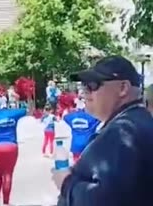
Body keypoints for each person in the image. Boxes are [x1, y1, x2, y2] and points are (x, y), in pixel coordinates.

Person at [54, 55, 153, 206]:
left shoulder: (123, 131)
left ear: (122, 88)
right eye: (83, 85)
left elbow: (107, 200)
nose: (84, 92)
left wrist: (66, 184)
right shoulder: (137, 121)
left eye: (92, 85)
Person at [0, 105, 30, 206]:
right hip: (11, 146)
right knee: (8, 174)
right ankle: (6, 202)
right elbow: (28, 111)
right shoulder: (14, 113)